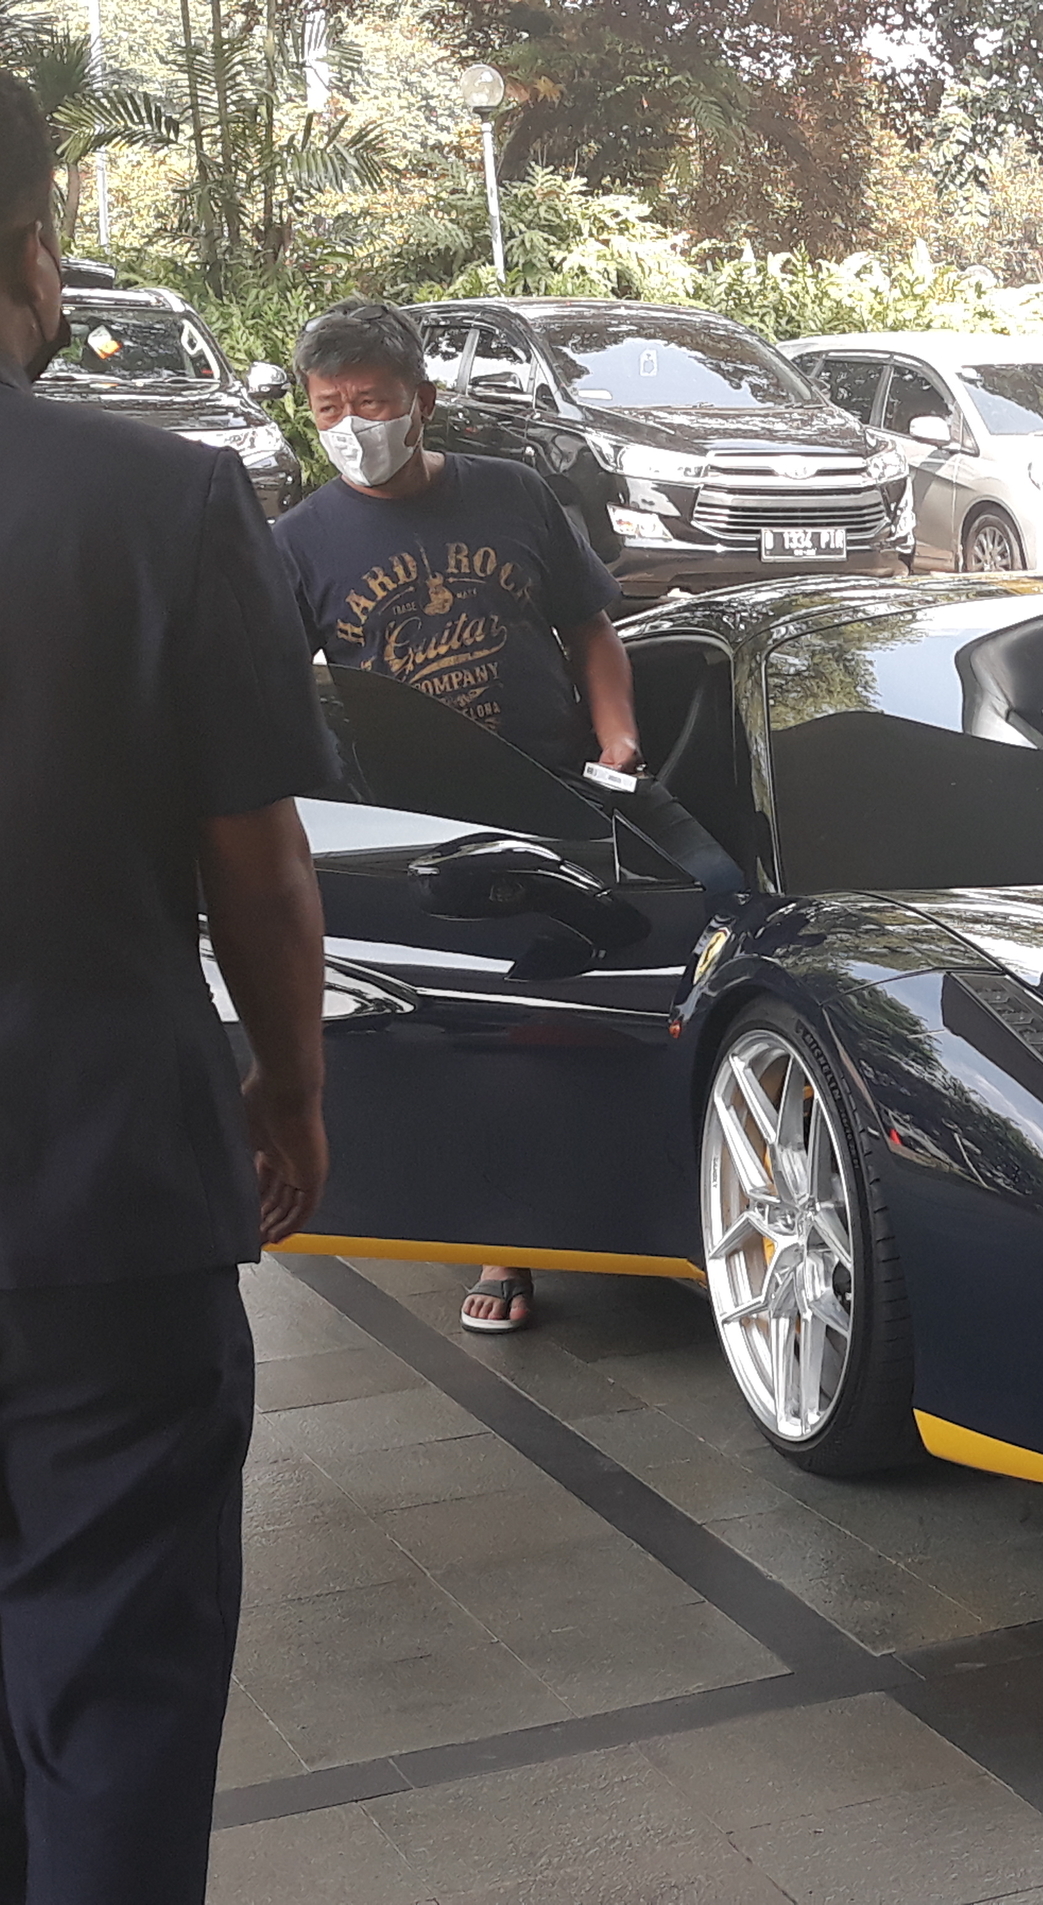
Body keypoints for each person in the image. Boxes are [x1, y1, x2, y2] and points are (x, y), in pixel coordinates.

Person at [0, 73, 331, 1904]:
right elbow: (261, 872)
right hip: (102, 1203)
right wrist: (287, 1089)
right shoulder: (161, 499)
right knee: (114, 1690)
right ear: (38, 253)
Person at [273, 300, 640, 1336]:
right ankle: (499, 1236)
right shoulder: (298, 541)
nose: (352, 425)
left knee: (566, 1010)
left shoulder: (513, 494)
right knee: (470, 1032)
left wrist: (615, 742)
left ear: (422, 403)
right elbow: (268, 687)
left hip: (555, 799)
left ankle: (597, 1199)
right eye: (329, 407)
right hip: (417, 829)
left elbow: (590, 627)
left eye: (373, 402)